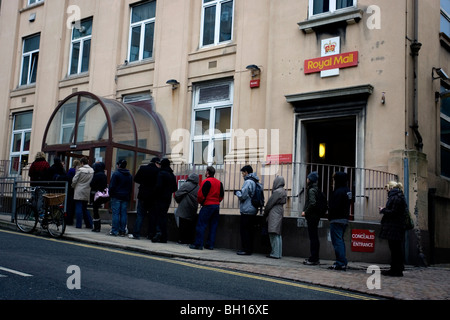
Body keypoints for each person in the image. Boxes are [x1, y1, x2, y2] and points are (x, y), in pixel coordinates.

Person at [190, 166, 224, 250]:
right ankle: (210, 245)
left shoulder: (206, 181)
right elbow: (221, 195)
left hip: (207, 205)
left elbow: (201, 195)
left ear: (207, 172)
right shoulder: (219, 183)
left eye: (205, 171)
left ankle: (198, 244)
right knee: (213, 226)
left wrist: (201, 202)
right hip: (216, 205)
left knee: (201, 225)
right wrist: (217, 201)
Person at [379, 181, 407, 277]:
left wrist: (383, 210)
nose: (386, 191)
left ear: (391, 188)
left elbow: (394, 212)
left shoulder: (396, 197)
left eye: (387, 189)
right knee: (395, 249)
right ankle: (395, 269)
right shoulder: (398, 196)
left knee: (395, 249)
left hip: (394, 227)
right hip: (395, 227)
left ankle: (396, 270)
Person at [129, 157, 160, 240]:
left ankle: (136, 234)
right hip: (153, 197)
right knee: (152, 216)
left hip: (142, 195)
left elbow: (136, 179)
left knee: (140, 215)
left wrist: (143, 183)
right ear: (156, 163)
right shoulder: (158, 171)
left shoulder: (143, 168)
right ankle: (150, 235)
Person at [328, 172, 352, 271]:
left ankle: (340, 262)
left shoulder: (338, 191)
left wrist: (330, 213)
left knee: (337, 242)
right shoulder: (348, 191)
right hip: (344, 218)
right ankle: (342, 261)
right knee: (340, 241)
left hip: (336, 219)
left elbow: (334, 206)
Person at [235, 165, 261, 255]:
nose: (242, 175)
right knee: (250, 231)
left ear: (246, 172)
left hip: (247, 210)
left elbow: (243, 196)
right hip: (253, 209)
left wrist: (237, 193)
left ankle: (245, 249)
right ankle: (249, 249)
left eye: (243, 173)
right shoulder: (255, 181)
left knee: (245, 231)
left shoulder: (248, 182)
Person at [152, 158, 177, 243]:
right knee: (164, 216)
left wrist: (155, 192)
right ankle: (164, 236)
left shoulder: (161, 173)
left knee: (159, 216)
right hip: (168, 198)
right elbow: (175, 188)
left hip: (160, 198)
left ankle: (159, 233)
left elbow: (158, 186)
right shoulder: (172, 175)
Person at [263, 176, 287, 259]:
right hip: (279, 211)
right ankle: (278, 253)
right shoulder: (283, 191)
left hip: (274, 212)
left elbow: (270, 203)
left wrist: (265, 212)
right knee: (277, 233)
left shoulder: (277, 191)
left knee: (273, 233)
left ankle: (275, 253)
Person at [109, 159, 133, 236]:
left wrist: (111, 194)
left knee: (115, 214)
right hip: (125, 196)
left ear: (118, 165)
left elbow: (112, 186)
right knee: (123, 214)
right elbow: (130, 187)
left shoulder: (116, 174)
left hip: (116, 196)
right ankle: (122, 231)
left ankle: (114, 231)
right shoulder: (129, 175)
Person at [301, 171, 321, 265]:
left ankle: (313, 258)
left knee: (313, 238)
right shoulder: (315, 189)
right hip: (315, 216)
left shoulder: (311, 190)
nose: (307, 179)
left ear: (310, 180)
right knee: (314, 237)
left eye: (308, 178)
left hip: (312, 216)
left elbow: (312, 203)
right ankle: (314, 257)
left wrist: (305, 211)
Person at [174, 173, 200, 244]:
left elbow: (177, 194)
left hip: (184, 208)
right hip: (193, 209)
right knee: (190, 226)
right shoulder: (198, 187)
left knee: (182, 225)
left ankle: (181, 240)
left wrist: (178, 201)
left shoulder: (186, 184)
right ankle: (189, 241)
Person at [71, 157, 94, 229]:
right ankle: (89, 224)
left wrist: (73, 186)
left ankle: (78, 224)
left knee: (78, 207)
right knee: (85, 208)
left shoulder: (80, 170)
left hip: (79, 190)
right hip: (87, 190)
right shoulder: (92, 170)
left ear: (82, 163)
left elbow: (74, 180)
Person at [90, 162, 108, 232]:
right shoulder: (104, 175)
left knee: (95, 210)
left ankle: (96, 227)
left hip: (96, 194)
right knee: (96, 209)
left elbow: (92, 184)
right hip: (102, 194)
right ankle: (97, 227)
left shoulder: (96, 175)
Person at [66, 159, 80, 225]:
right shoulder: (79, 171)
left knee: (69, 206)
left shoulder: (71, 170)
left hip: (70, 190)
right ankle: (72, 220)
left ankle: (68, 220)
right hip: (77, 190)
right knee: (74, 207)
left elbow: (68, 179)